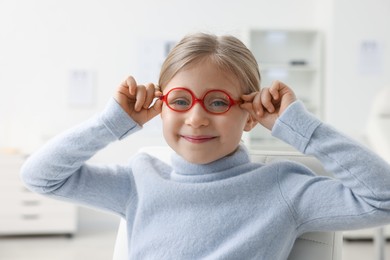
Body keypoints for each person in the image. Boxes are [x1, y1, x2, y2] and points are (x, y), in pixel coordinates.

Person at [21, 32, 390, 259]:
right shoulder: (139, 181)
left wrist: (301, 128)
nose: (196, 118)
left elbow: (383, 198)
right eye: (181, 101)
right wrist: (111, 123)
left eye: (217, 103)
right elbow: (40, 177)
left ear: (249, 116)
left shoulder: (283, 188)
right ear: (160, 109)